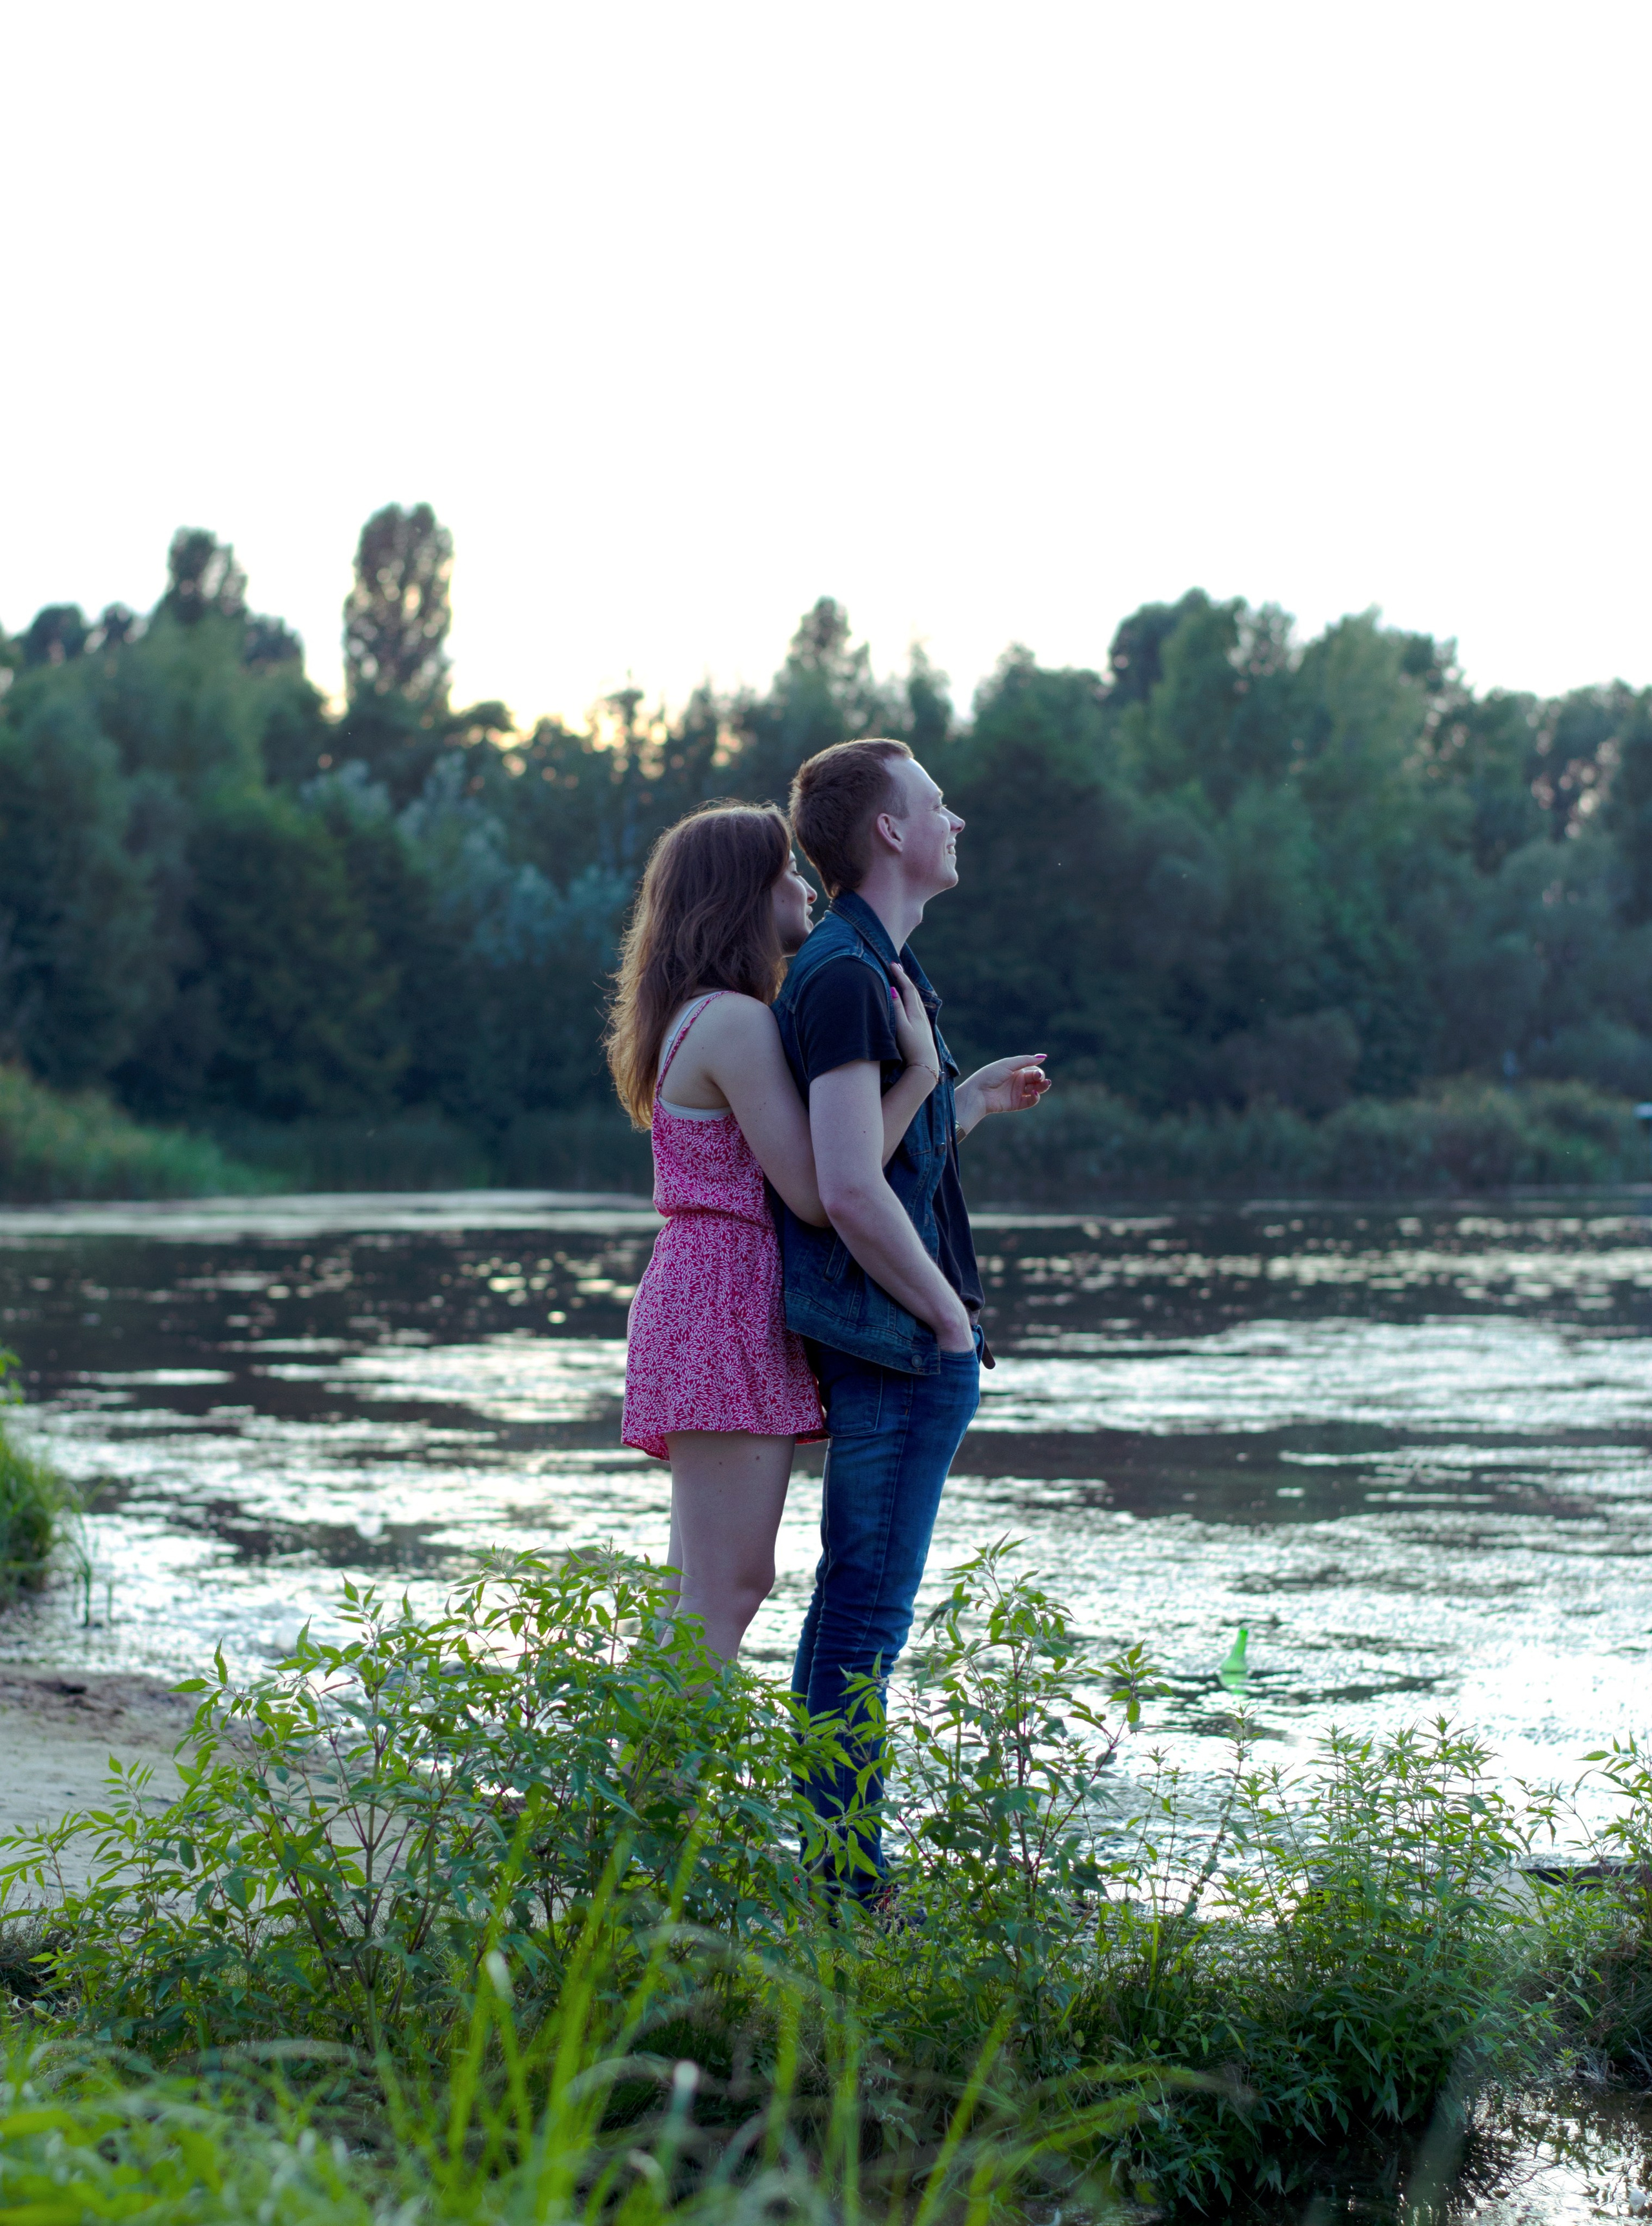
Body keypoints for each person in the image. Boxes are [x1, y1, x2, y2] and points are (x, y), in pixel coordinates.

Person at [771, 739, 1050, 1891]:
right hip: (894, 1348)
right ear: (888, 831)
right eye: (937, 804)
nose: (957, 819)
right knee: (861, 1627)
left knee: (854, 1613)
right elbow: (843, 1189)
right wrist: (946, 1325)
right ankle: (849, 1890)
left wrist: (963, 1093)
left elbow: (885, 1157)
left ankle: (844, 1877)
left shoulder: (877, 968)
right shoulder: (844, 974)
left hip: (900, 1344)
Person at [605, 801, 942, 1663]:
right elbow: (822, 1190)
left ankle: (650, 1786)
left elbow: (834, 1162)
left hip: (708, 1290)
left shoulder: (704, 1014)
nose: (804, 884)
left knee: (699, 1586)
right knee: (727, 1587)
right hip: (722, 1299)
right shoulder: (735, 1019)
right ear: (741, 893)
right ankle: (665, 1792)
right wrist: (920, 1076)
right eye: (785, 870)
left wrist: (961, 1102)